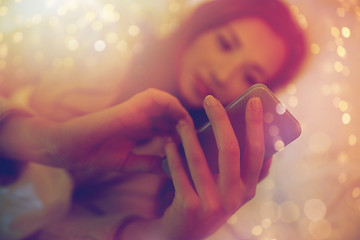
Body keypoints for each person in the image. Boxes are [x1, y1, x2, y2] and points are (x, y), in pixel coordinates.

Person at [0, 0, 307, 239]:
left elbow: (50, 232)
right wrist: (46, 141)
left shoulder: (171, 167)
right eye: (225, 43)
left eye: (250, 76)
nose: (222, 75)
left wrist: (161, 235)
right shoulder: (99, 43)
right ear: (199, 26)